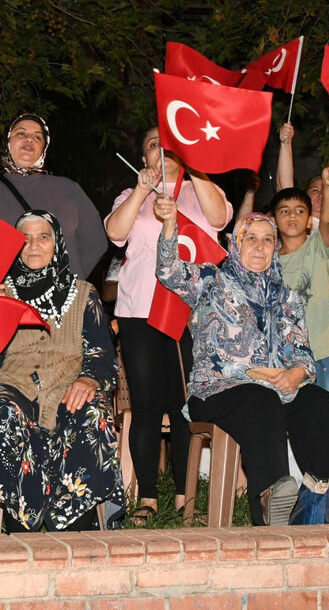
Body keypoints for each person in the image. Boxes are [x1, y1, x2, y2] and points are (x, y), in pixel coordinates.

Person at [156, 208, 329, 525]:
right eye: (250, 238)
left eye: (267, 240)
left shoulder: (286, 296)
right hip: (216, 390)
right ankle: (269, 503)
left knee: (323, 403)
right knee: (260, 400)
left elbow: (303, 354)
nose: (260, 247)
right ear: (235, 243)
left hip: (276, 391)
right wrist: (169, 225)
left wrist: (296, 373)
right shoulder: (212, 281)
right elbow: (168, 271)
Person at [103, 126, 231, 523]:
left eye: (170, 143)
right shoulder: (131, 195)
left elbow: (220, 218)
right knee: (144, 406)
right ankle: (147, 497)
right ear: (143, 157)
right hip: (140, 309)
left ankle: (184, 497)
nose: (162, 149)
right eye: (153, 144)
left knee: (184, 406)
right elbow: (115, 232)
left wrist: (197, 170)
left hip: (192, 312)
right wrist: (143, 191)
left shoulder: (201, 187)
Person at [0, 211, 122, 531]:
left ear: (57, 244)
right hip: (9, 384)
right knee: (4, 412)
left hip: (66, 384)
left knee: (89, 409)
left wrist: (88, 378)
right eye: (24, 238)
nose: (33, 245)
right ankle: (19, 523)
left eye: (43, 237)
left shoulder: (84, 294)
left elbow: (102, 356)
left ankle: (75, 521)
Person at [0, 113, 108, 300]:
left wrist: (69, 278)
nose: (29, 139)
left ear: (44, 147)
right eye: (21, 134)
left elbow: (95, 242)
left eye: (37, 136)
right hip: (4, 302)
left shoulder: (68, 189)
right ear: (8, 142)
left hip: (60, 305)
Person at [270, 164, 329, 433]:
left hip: (327, 348)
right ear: (274, 220)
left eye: (299, 211)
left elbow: (327, 219)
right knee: (299, 421)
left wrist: (328, 186)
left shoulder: (318, 246)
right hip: (288, 358)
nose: (292, 216)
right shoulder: (268, 263)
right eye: (284, 211)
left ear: (308, 220)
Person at [274, 123, 329, 309]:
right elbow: (285, 190)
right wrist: (286, 144)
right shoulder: (302, 226)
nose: (321, 194)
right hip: (316, 304)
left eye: (326, 190)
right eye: (314, 190)